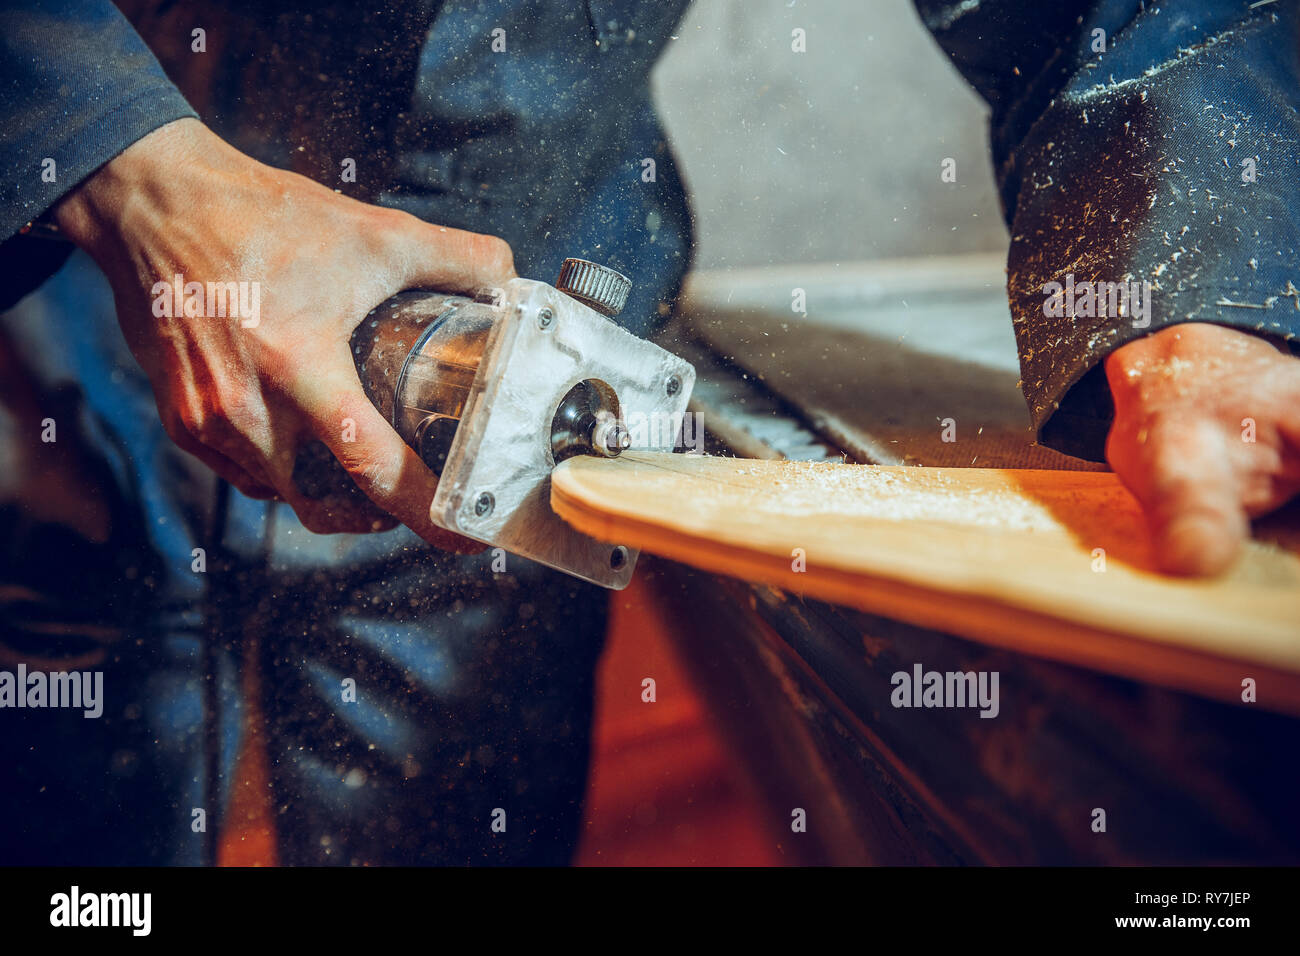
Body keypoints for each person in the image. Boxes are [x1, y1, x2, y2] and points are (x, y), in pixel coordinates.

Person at [1, 0, 1296, 865]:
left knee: (446, 798)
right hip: (68, 260)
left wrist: (1204, 292)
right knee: (81, 753)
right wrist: (121, 158)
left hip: (539, 277)